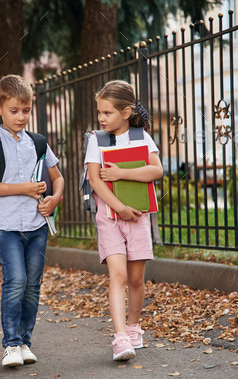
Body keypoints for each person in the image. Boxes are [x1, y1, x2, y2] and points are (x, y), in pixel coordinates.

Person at [0, 74, 64, 367]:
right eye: (14, 110)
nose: (21, 116)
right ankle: (10, 345)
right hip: (6, 226)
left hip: (37, 227)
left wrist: (55, 198)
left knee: (32, 285)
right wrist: (23, 188)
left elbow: (57, 177)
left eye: (26, 110)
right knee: (16, 282)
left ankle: (25, 342)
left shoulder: (37, 143)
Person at [84, 80, 163, 361]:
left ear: (126, 111)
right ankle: (120, 338)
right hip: (109, 218)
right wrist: (120, 208)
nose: (101, 118)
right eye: (100, 112)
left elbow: (156, 171)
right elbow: (95, 180)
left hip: (139, 218)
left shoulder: (142, 138)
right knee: (117, 276)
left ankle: (133, 326)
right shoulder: (97, 139)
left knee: (136, 279)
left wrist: (121, 174)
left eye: (107, 113)